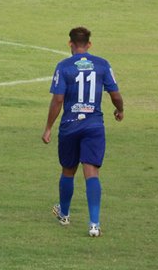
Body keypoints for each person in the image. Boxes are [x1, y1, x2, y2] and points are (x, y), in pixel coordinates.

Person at [42, 26, 124, 238]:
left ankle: (65, 214)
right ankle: (94, 224)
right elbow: (115, 94)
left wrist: (49, 127)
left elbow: (58, 100)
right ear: (89, 44)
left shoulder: (63, 66)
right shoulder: (102, 64)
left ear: (70, 44)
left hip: (70, 125)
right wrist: (120, 109)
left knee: (68, 170)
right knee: (91, 172)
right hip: (93, 125)